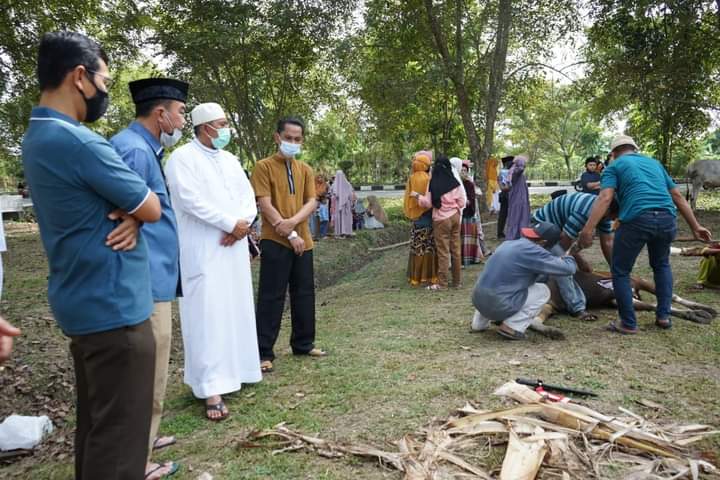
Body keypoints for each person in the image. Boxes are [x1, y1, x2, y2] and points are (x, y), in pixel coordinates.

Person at [22, 32, 162, 480]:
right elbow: (153, 206)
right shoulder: (80, 142)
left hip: (84, 302)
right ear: (79, 77)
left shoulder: (37, 135)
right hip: (115, 311)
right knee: (120, 445)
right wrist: (140, 214)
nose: (105, 90)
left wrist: (134, 216)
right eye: (104, 79)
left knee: (99, 433)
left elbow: (133, 209)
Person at [109, 77, 188, 478]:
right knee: (148, 369)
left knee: (153, 364)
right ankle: (137, 461)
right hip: (143, 279)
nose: (182, 119)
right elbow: (121, 211)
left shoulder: (143, 148)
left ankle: (147, 434)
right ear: (161, 114)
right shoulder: (135, 151)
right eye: (180, 112)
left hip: (155, 274)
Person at [165, 102, 262, 420]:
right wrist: (228, 223)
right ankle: (211, 389)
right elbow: (189, 200)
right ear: (204, 127)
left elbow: (247, 197)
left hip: (233, 247)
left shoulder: (231, 159)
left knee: (235, 311)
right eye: (221, 124)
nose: (225, 130)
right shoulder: (181, 159)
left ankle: (239, 372)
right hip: (203, 249)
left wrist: (242, 225)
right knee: (206, 315)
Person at [579, 135, 713, 334]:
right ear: (635, 149)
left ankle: (628, 323)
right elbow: (676, 195)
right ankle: (663, 316)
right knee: (661, 265)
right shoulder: (654, 164)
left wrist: (588, 229)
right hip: (667, 218)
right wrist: (695, 226)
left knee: (621, 271)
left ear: (613, 154)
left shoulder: (614, 167)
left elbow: (605, 197)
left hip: (636, 219)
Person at [251, 116, 325, 374]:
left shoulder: (305, 169)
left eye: (297, 139)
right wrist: (286, 230)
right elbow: (264, 203)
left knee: (304, 293)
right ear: (277, 137)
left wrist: (292, 224)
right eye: (288, 138)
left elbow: (312, 202)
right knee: (271, 296)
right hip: (275, 240)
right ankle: (263, 351)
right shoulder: (263, 167)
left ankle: (304, 344)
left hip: (303, 240)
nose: (292, 142)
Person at [471, 222, 577, 340]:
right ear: (543, 243)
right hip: (498, 303)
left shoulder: (508, 244)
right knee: (543, 291)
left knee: (496, 282)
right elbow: (569, 269)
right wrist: (570, 253)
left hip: (478, 300)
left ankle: (479, 324)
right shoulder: (535, 251)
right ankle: (512, 327)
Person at [532, 192, 619, 321]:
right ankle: (577, 308)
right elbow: (563, 248)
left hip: (558, 233)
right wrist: (580, 260)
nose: (612, 220)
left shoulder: (602, 213)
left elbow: (607, 242)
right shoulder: (583, 212)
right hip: (542, 230)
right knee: (562, 268)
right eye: (613, 217)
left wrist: (616, 270)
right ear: (608, 211)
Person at [413, 156, 464, 290]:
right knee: (456, 250)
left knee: (443, 252)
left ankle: (442, 283)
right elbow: (462, 202)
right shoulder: (455, 182)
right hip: (455, 217)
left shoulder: (433, 182)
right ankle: (457, 282)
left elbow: (428, 203)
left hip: (441, 220)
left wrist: (417, 196)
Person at [403, 151, 438, 286]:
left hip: (417, 218)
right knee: (429, 245)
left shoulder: (411, 178)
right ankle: (430, 275)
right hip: (428, 215)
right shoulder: (429, 178)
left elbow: (408, 198)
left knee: (418, 245)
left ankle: (415, 277)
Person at [460, 159, 489, 265]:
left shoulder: (469, 183)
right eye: (461, 170)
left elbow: (472, 199)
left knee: (472, 235)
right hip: (461, 214)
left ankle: (475, 255)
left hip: (470, 213)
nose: (463, 173)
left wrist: (466, 202)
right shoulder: (457, 184)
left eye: (465, 170)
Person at [503, 155, 531, 240]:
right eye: (523, 163)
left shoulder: (512, 171)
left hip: (518, 198)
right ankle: (516, 235)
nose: (525, 165)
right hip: (518, 199)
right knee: (518, 217)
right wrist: (521, 161)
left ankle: (518, 235)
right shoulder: (515, 171)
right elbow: (521, 168)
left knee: (518, 216)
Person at [330, 170, 354, 237]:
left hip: (340, 205)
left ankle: (341, 232)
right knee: (344, 218)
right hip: (345, 204)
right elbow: (351, 195)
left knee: (340, 218)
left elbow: (332, 194)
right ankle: (346, 232)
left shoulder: (334, 185)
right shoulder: (347, 184)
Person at [497, 156, 514, 238]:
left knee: (503, 215)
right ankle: (503, 232)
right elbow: (505, 185)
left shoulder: (501, 172)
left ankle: (500, 232)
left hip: (505, 194)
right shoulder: (507, 172)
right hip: (508, 195)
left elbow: (500, 184)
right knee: (507, 214)